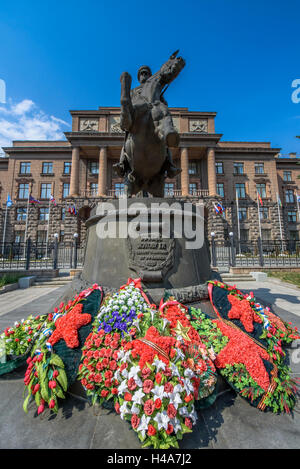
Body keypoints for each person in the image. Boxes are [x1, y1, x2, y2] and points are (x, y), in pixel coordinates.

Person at [113, 64, 181, 179]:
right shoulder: (133, 91)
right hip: (138, 119)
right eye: (141, 73)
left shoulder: (156, 90)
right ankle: (122, 163)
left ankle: (169, 165)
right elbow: (129, 105)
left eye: (146, 73)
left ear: (150, 76)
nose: (144, 75)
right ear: (139, 77)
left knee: (164, 141)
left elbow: (164, 105)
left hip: (153, 121)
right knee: (128, 139)